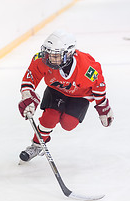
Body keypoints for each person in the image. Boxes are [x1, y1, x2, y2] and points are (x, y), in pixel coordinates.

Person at [18, 30, 114, 164]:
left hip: (81, 95)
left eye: (56, 55)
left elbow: (99, 86)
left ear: (69, 53)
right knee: (50, 117)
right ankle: (36, 145)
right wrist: (27, 95)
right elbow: (31, 77)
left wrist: (103, 107)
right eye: (48, 53)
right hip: (56, 90)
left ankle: (48, 131)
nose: (50, 58)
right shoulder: (41, 60)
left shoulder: (87, 68)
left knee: (68, 124)